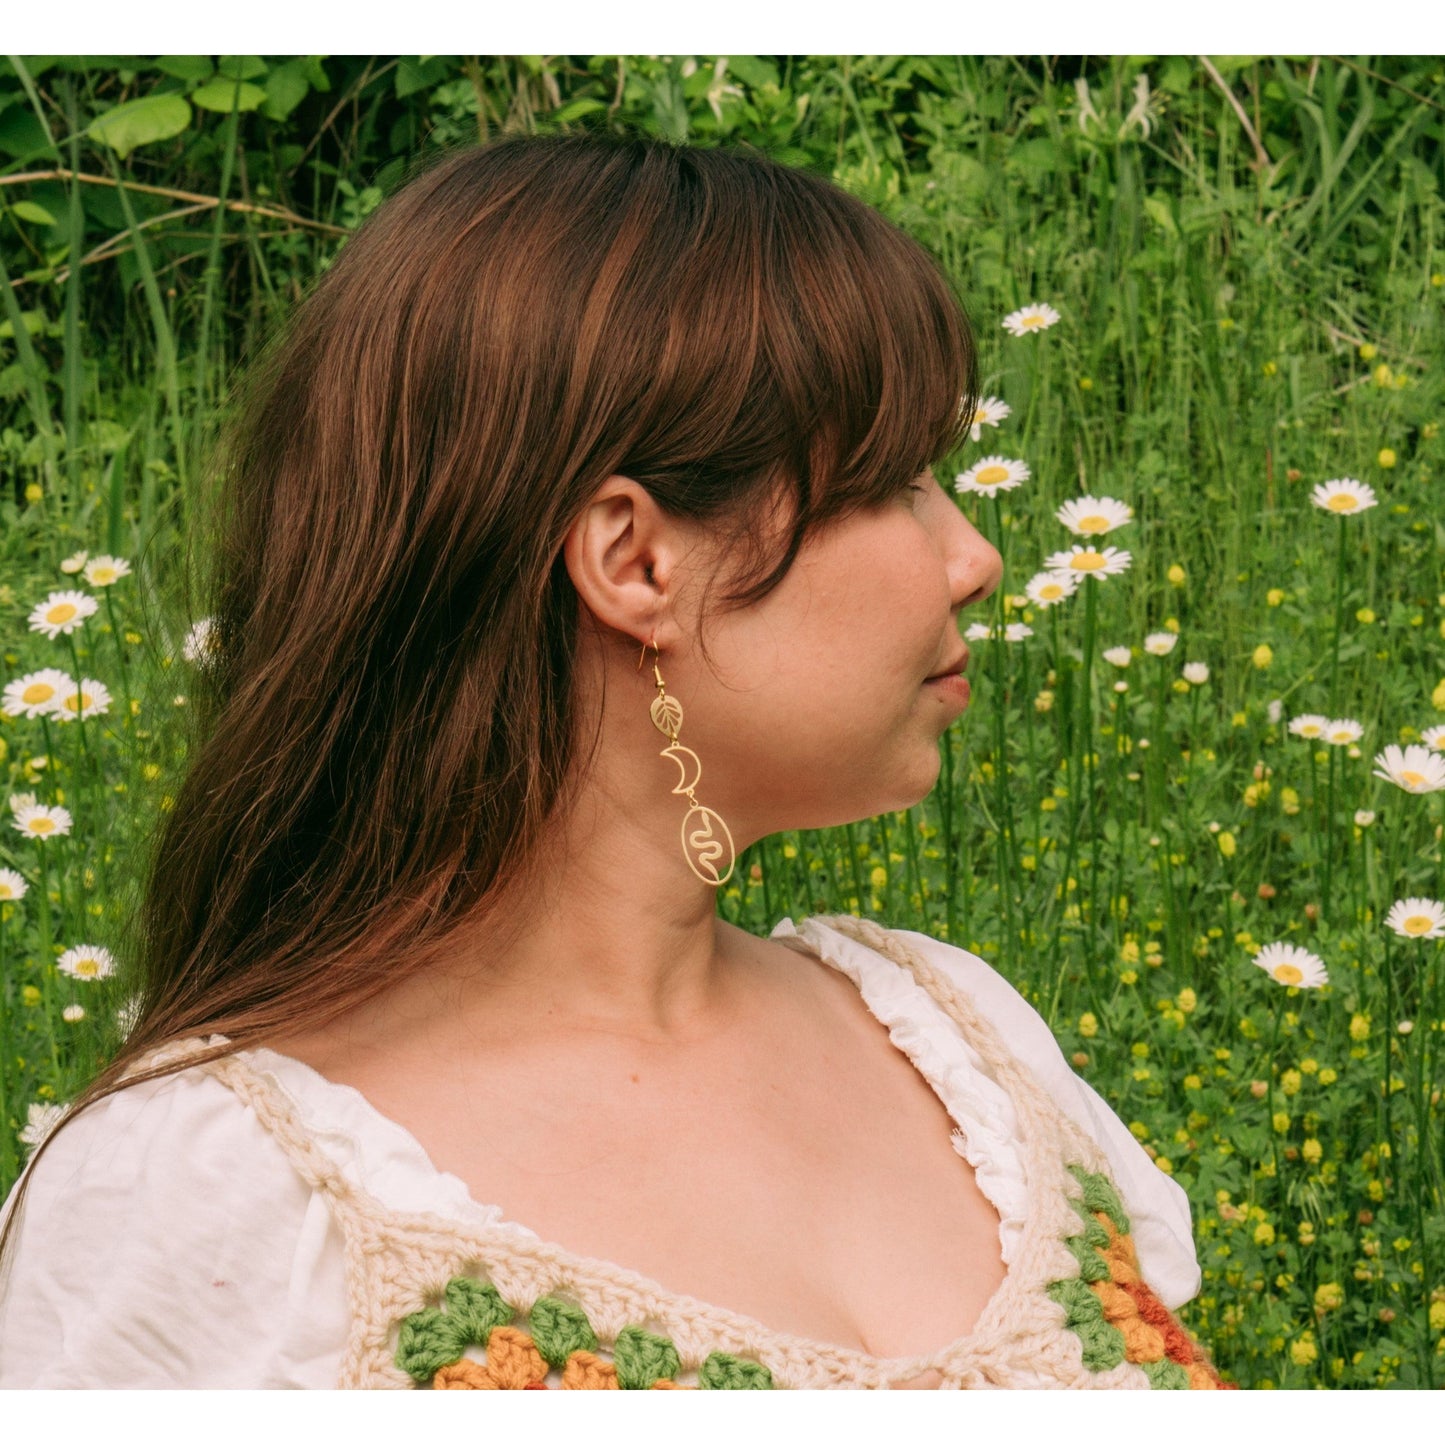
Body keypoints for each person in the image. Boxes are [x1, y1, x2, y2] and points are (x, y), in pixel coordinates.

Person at [0, 132, 1231, 1390]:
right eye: (893, 484)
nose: (971, 556)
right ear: (635, 562)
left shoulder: (964, 1045)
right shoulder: (211, 1198)